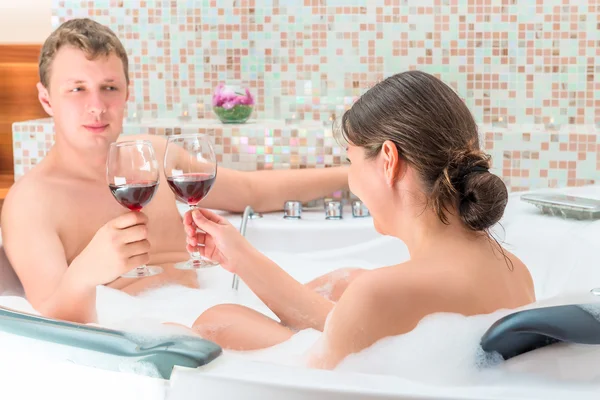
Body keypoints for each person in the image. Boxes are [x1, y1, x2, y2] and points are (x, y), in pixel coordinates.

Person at [0, 18, 348, 324]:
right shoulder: (31, 203)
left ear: (126, 94)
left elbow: (252, 192)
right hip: (156, 337)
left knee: (353, 280)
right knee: (230, 319)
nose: (97, 107)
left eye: (109, 88)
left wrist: (354, 176)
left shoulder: (154, 156)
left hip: (211, 305)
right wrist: (85, 272)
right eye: (77, 89)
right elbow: (52, 325)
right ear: (47, 99)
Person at [183, 70, 536, 369]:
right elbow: (362, 326)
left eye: (351, 162)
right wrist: (241, 258)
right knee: (344, 281)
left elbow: (306, 376)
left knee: (216, 320)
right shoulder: (517, 272)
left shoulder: (378, 295)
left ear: (388, 160)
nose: (351, 181)